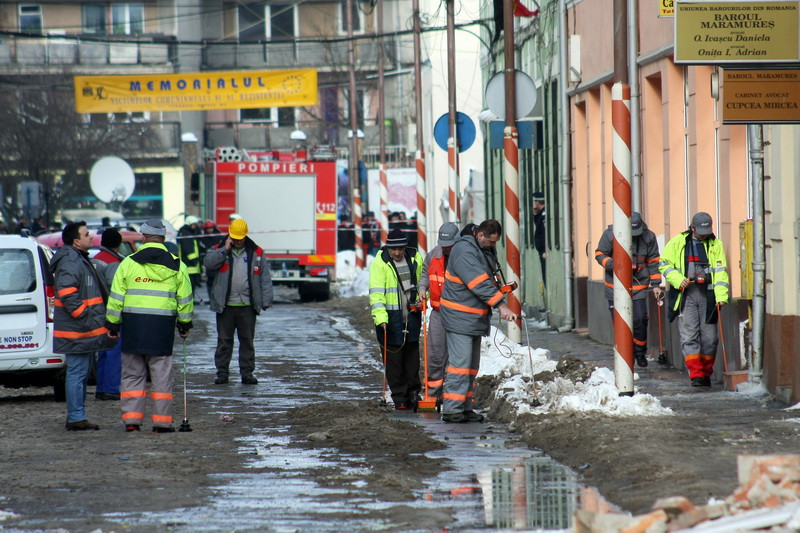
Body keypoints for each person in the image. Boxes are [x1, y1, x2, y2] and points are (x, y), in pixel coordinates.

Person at [104, 219, 194, 433]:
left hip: (134, 327)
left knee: (133, 375)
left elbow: (116, 297)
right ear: (163, 238)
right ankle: (161, 423)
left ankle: (132, 422)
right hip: (162, 328)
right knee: (162, 377)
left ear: (143, 237)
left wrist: (113, 325)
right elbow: (185, 299)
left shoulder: (128, 263)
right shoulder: (177, 265)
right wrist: (184, 324)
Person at [439, 219, 517, 423]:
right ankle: (452, 409)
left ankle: (464, 407)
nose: (493, 246)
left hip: (472, 317)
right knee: (460, 365)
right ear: (480, 235)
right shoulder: (464, 251)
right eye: (491, 242)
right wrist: (501, 305)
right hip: (459, 316)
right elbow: (479, 283)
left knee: (471, 366)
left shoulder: (481, 249)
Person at [50, 221, 115, 431]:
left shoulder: (77, 258)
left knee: (81, 372)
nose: (91, 237)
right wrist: (84, 317)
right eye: (86, 234)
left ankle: (78, 416)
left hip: (81, 329)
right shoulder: (71, 260)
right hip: (77, 330)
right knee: (77, 373)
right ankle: (76, 417)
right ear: (76, 241)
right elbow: (67, 293)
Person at [659, 212, 729, 387]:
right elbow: (664, 264)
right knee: (690, 335)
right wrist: (678, 280)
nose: (705, 234)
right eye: (701, 231)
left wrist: (721, 297)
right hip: (686, 296)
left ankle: (706, 372)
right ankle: (696, 375)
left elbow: (721, 274)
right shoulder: (677, 242)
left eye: (707, 230)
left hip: (709, 296)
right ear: (692, 229)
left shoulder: (716, 244)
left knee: (710, 338)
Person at [205, 218, 273, 385]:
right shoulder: (219, 250)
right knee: (223, 342)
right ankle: (222, 374)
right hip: (225, 306)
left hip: (247, 307)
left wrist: (266, 300)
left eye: (240, 238)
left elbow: (264, 278)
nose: (238, 241)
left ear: (245, 236)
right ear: (230, 236)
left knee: (247, 342)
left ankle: (247, 374)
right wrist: (224, 249)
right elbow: (208, 264)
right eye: (234, 238)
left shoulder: (256, 253)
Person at [594, 212, 663, 368]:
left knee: (639, 319)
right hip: (615, 287)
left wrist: (656, 284)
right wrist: (615, 265)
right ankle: (627, 354)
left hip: (639, 286)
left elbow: (653, 261)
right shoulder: (610, 235)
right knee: (620, 323)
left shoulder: (648, 238)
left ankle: (639, 351)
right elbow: (599, 254)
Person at [369, 228, 424, 410]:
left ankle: (414, 393)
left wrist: (423, 301)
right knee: (393, 361)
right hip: (390, 320)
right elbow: (376, 295)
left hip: (412, 316)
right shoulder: (380, 264)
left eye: (401, 248)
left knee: (412, 358)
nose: (397, 252)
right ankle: (399, 396)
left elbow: (424, 285)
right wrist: (380, 318)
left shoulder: (415, 259)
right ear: (388, 248)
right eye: (394, 249)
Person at [418, 222, 459, 403]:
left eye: (449, 245)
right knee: (435, 355)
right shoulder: (433, 255)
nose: (445, 249)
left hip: (459, 314)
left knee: (459, 358)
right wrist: (422, 287)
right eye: (443, 245)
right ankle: (432, 395)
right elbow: (426, 272)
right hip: (437, 312)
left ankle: (456, 397)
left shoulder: (464, 256)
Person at [92, 228, 126, 401]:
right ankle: (111, 389)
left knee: (103, 352)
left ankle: (101, 388)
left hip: (96, 311)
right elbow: (116, 291)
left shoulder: (95, 259)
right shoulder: (114, 262)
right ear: (119, 245)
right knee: (114, 351)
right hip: (111, 313)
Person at [178, 215, 203, 302]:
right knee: (189, 288)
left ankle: (190, 302)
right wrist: (195, 260)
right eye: (193, 225)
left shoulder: (188, 233)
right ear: (188, 224)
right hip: (190, 267)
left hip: (192, 267)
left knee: (191, 288)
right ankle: (189, 303)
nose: (195, 226)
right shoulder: (186, 234)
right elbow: (189, 249)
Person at [202, 219, 224, 302]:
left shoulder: (219, 237)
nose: (209, 230)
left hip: (219, 263)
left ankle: (218, 298)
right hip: (209, 264)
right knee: (210, 282)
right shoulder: (203, 239)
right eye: (207, 229)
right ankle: (211, 299)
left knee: (219, 282)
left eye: (211, 228)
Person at [532, 192, 547, 287]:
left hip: (544, 252)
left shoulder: (544, 215)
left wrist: (544, 250)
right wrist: (535, 213)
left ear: (537, 202)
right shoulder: (541, 214)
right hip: (542, 252)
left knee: (545, 274)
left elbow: (544, 233)